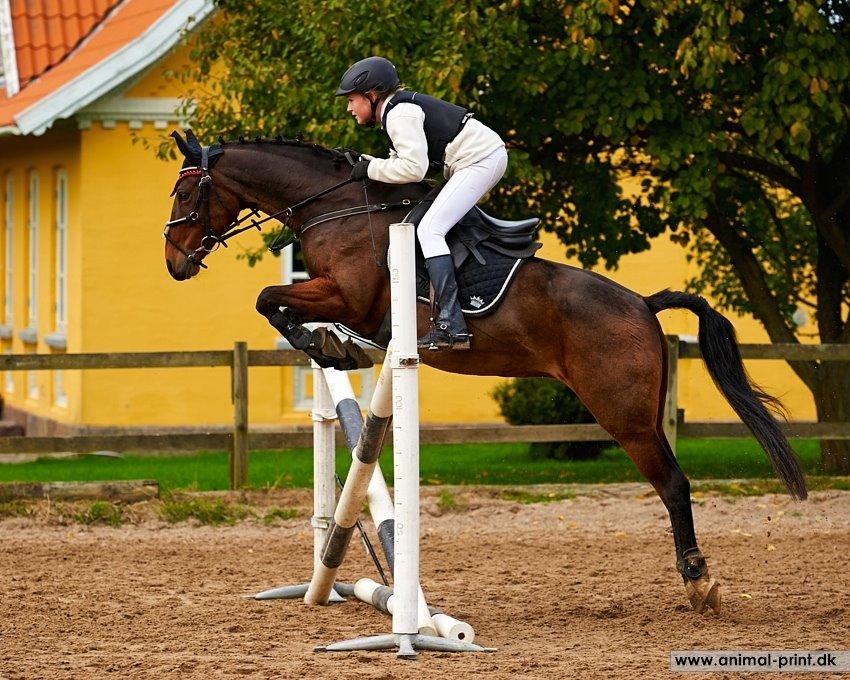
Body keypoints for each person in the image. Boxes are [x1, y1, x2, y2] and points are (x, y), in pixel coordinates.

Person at [336, 56, 508, 351]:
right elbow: (404, 164)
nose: (350, 108)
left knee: (430, 230)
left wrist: (370, 168)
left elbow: (413, 169)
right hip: (475, 161)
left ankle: (451, 325)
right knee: (428, 223)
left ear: (372, 95)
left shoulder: (399, 114)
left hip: (480, 160)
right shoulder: (394, 111)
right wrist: (370, 164)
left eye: (352, 100)